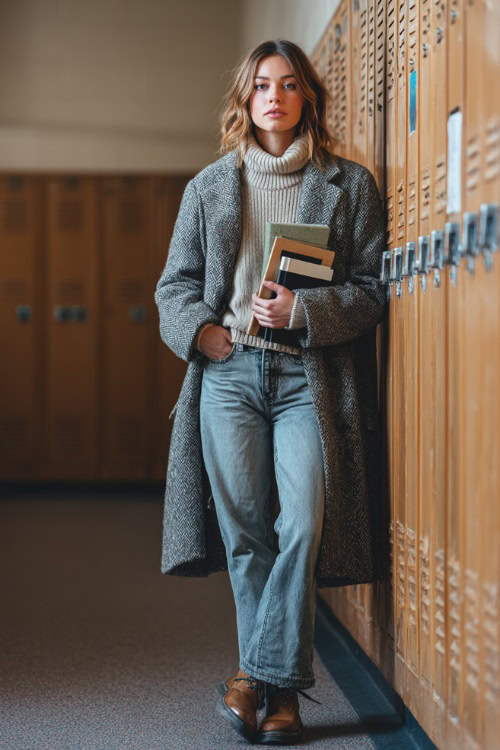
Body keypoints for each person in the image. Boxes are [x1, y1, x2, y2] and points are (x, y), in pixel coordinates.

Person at [154, 39, 388, 746]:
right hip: (228, 375)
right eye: (261, 85)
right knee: (247, 533)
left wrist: (305, 313)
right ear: (245, 100)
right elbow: (174, 289)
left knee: (304, 524)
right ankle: (282, 695)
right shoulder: (209, 188)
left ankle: (253, 677)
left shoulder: (350, 185)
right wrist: (203, 334)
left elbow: (373, 289)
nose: (274, 97)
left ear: (306, 97)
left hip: (305, 379)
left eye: (288, 85)